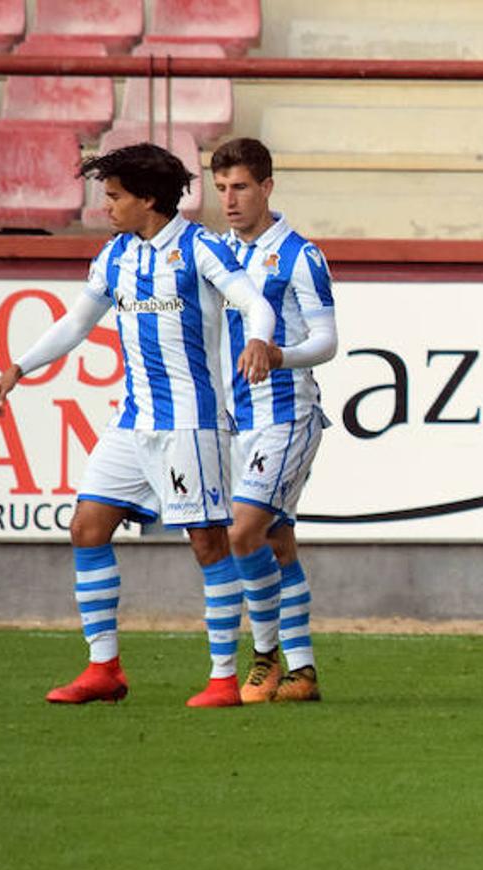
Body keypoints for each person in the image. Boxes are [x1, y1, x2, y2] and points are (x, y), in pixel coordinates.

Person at [0, 143, 278, 708]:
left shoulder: (201, 249)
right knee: (87, 527)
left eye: (115, 196)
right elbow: (77, 322)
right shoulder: (115, 254)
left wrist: (261, 339)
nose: (106, 207)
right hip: (133, 421)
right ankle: (104, 670)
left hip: (191, 425)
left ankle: (222, 679)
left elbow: (252, 301)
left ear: (148, 198)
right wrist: (20, 366)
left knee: (208, 544)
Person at [211, 138, 338, 703]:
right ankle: (302, 670)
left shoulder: (300, 256)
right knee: (277, 542)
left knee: (242, 532)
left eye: (240, 187)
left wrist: (278, 353)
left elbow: (328, 340)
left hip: (289, 415)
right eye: (220, 190)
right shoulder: (216, 253)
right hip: (239, 421)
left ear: (266, 187)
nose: (230, 201)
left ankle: (262, 660)